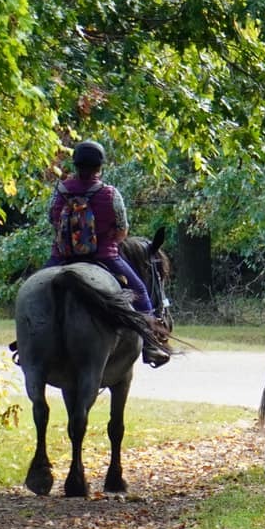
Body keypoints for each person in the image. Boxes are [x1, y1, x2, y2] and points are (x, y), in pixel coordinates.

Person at [46, 140, 170, 365]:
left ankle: (26, 342)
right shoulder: (110, 194)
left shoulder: (60, 190)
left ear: (75, 165)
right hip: (104, 256)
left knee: (35, 290)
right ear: (100, 167)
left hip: (61, 257)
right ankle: (151, 346)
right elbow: (122, 231)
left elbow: (52, 220)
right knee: (141, 294)